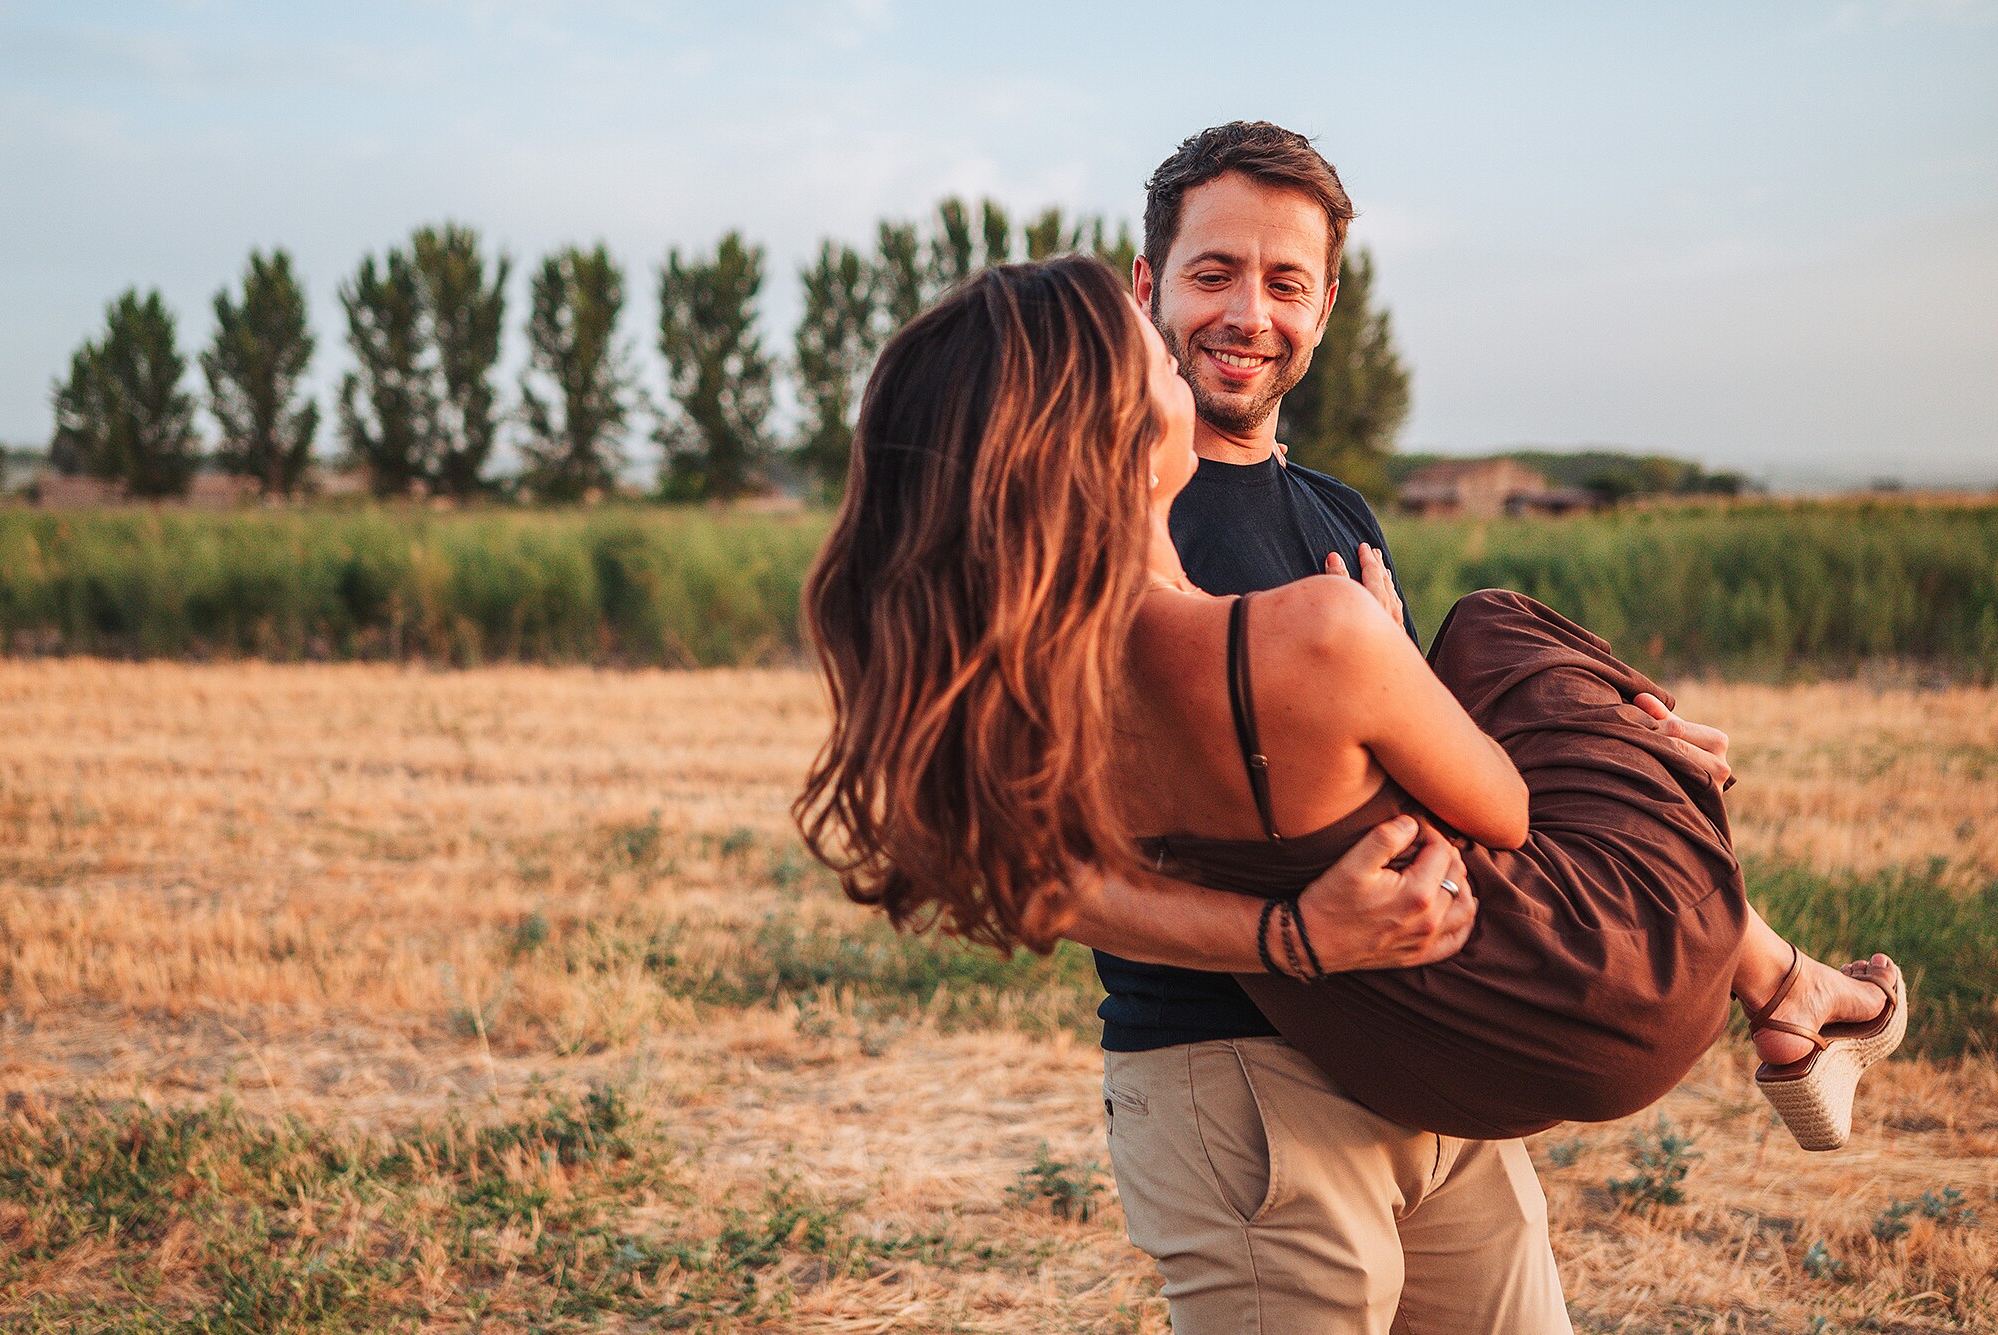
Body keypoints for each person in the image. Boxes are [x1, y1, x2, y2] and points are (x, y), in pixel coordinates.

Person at [793, 168, 1902, 1335]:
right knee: (1501, 626)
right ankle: (1788, 989)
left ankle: (1785, 984)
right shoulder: (1148, 617)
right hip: (1237, 1074)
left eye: (1284, 283)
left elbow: (1411, 774)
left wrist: (1615, 735)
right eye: (1207, 278)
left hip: (1421, 1037)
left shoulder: (1317, 524)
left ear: (1324, 305)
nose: (1242, 317)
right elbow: (1490, 802)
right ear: (1143, 310)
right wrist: (1301, 932)